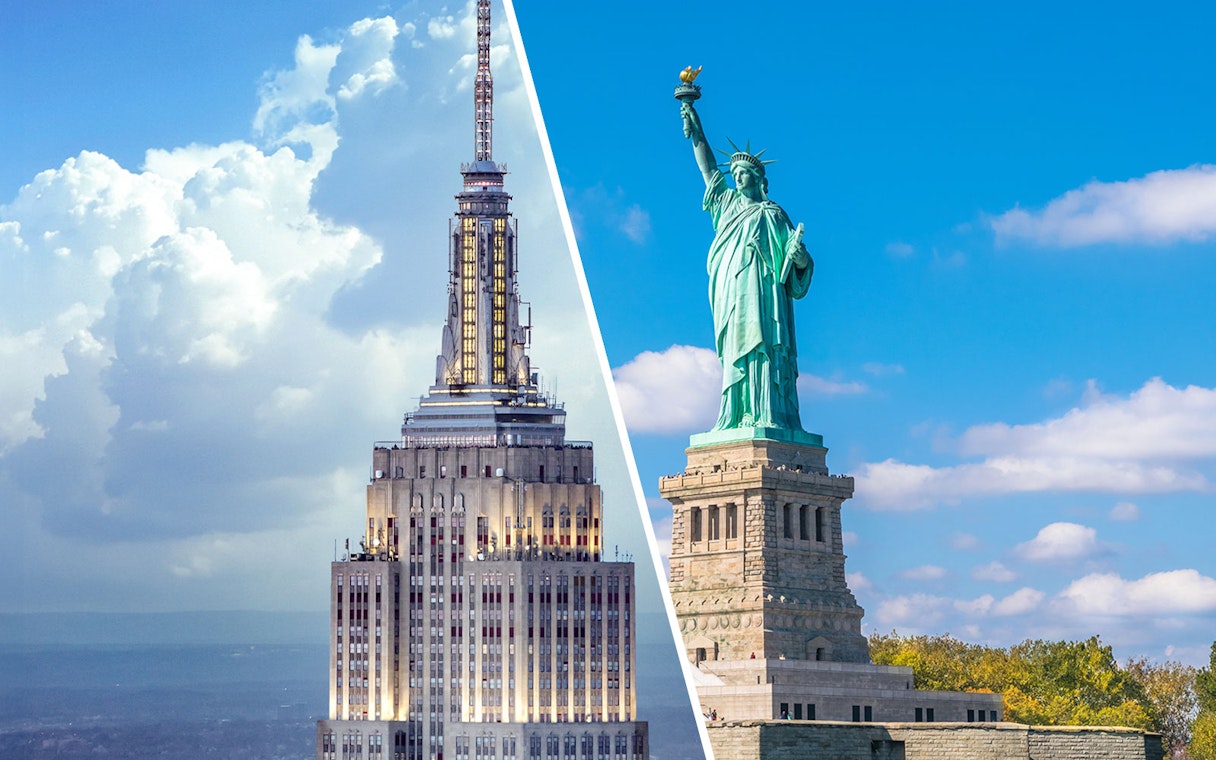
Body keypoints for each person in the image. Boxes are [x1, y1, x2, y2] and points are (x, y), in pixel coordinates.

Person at [680, 100, 813, 432]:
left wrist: (798, 258)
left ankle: (769, 413)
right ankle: (736, 414)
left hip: (766, 295)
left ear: (757, 179)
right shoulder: (725, 204)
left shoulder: (773, 214)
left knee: (765, 349)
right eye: (735, 174)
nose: (737, 179)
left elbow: (798, 265)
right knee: (735, 348)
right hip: (732, 290)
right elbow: (708, 168)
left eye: (743, 175)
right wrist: (696, 128)